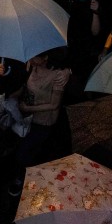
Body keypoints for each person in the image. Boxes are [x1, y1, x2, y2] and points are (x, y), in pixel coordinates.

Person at [9, 48, 71, 196]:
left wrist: (29, 108)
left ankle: (24, 179)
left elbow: (54, 105)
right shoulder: (31, 66)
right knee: (25, 148)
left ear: (46, 57)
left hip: (43, 121)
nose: (31, 60)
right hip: (28, 117)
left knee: (25, 152)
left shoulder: (58, 76)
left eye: (34, 57)